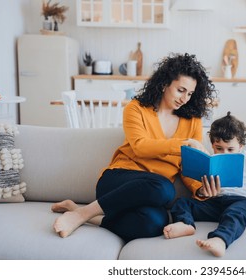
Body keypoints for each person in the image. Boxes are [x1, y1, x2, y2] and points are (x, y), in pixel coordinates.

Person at [51, 53, 216, 242]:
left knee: (155, 222)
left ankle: (82, 212)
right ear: (165, 83)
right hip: (118, 181)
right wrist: (183, 144)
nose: (185, 98)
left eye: (190, 93)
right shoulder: (136, 108)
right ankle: (81, 214)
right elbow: (140, 147)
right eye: (181, 90)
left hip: (150, 194)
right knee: (164, 188)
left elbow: (188, 166)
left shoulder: (192, 121)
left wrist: (201, 189)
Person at [163, 112, 246, 257]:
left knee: (234, 214)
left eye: (230, 149)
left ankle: (220, 240)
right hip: (216, 202)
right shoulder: (211, 161)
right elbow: (202, 188)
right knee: (183, 202)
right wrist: (204, 191)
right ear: (212, 144)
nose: (224, 153)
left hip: (244, 203)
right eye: (219, 148)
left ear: (240, 145)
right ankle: (186, 224)